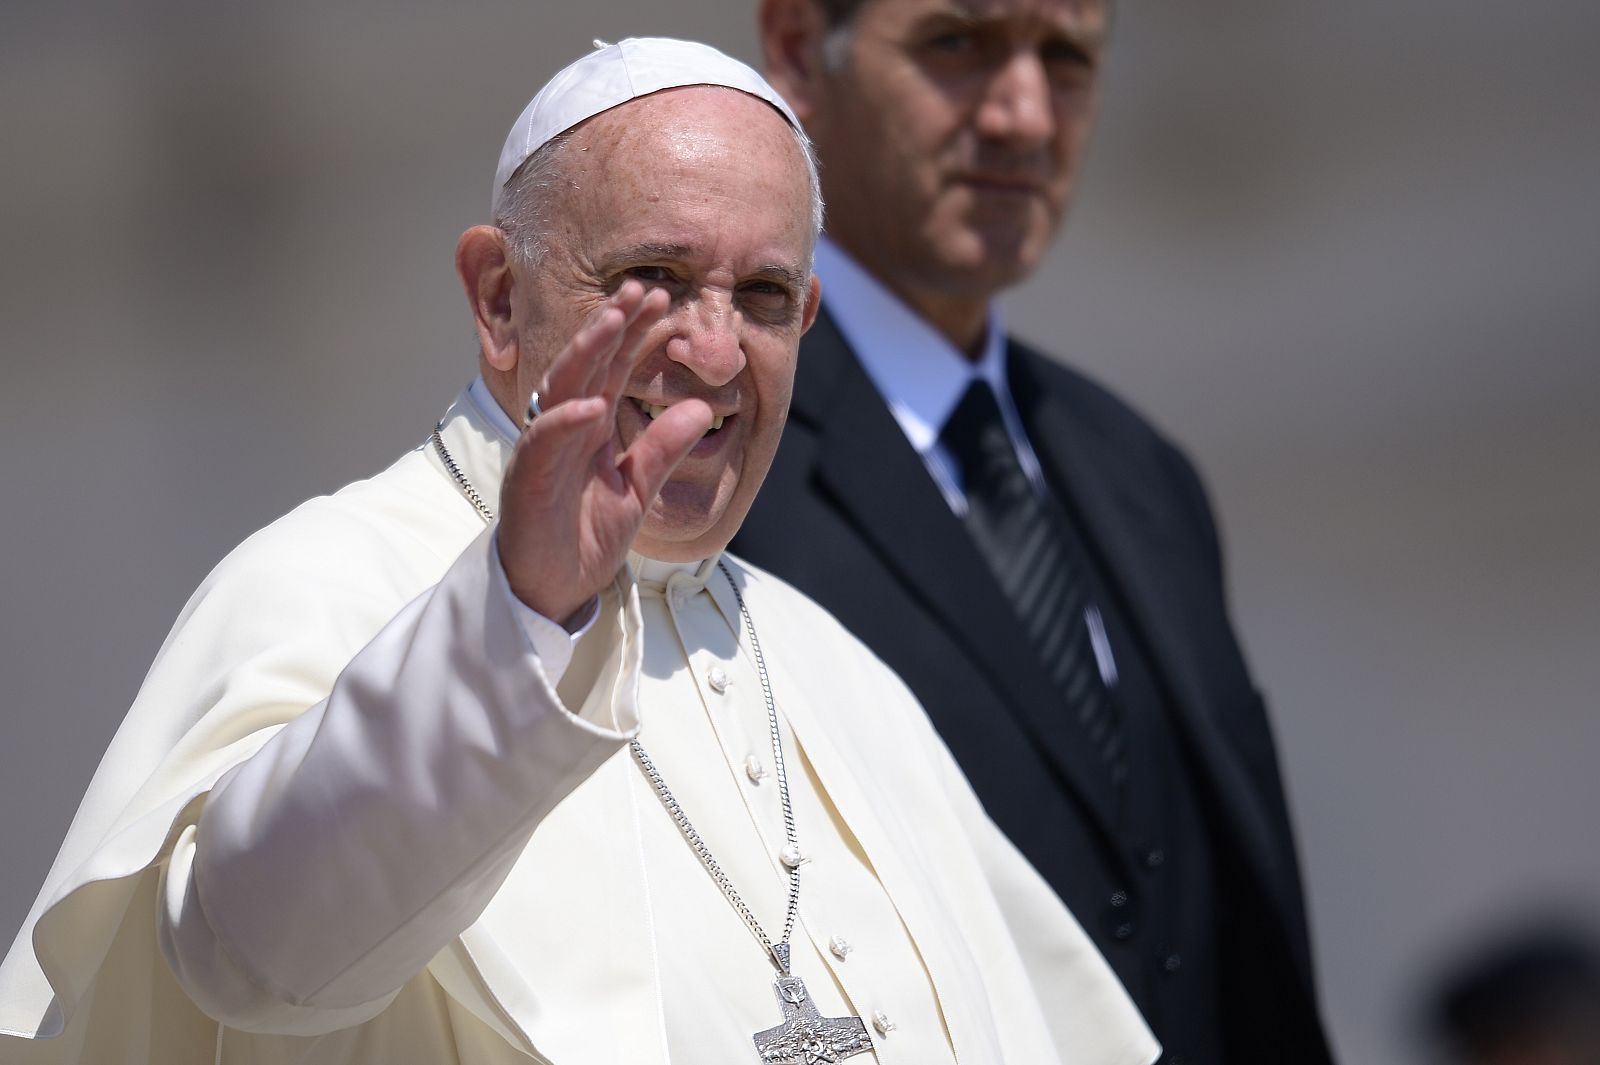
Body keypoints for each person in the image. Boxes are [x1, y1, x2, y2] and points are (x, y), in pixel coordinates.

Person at [0, 37, 1158, 1065]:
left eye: (761, 295)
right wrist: (521, 610)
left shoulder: (831, 667)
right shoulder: (318, 580)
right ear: (500, 300)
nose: (712, 353)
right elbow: (245, 953)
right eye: (652, 281)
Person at [730, 3, 1337, 1063]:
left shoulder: (1140, 471)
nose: (1023, 116)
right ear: (794, 52)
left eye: (1065, 59)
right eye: (956, 45)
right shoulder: (711, 478)